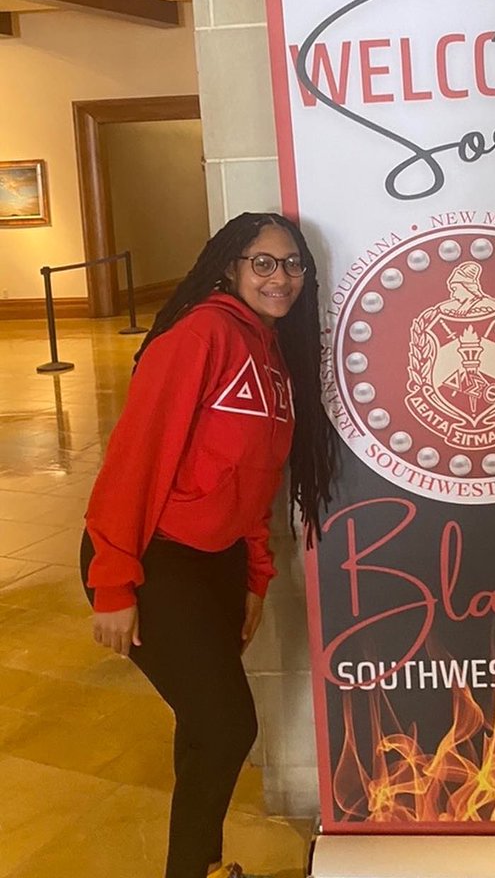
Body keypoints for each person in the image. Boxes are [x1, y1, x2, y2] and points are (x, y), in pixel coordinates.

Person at [81, 212, 337, 878]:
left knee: (203, 727)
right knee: (227, 727)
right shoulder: (203, 334)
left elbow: (255, 481)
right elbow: (135, 460)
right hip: (156, 556)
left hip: (218, 564)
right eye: (263, 262)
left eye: (293, 264)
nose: (281, 277)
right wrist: (113, 580)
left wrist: (254, 576)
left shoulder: (273, 354)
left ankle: (195, 867)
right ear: (230, 267)